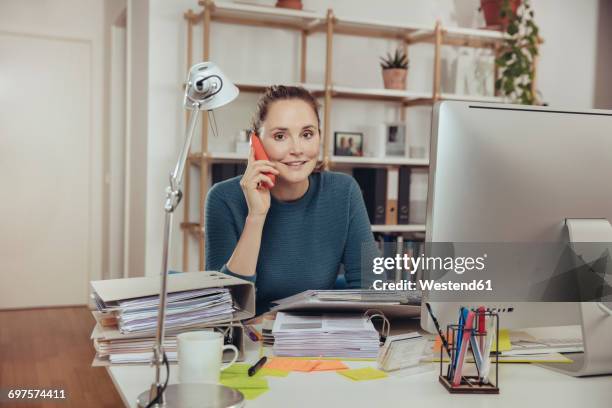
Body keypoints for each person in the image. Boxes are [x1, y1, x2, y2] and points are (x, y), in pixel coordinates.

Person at [205, 85, 379, 314]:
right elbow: (225, 308)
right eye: (280, 136)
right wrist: (256, 216)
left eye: (307, 134)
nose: (297, 149)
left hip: (318, 340)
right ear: (255, 144)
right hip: (250, 343)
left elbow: (371, 291)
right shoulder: (223, 198)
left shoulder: (344, 191)